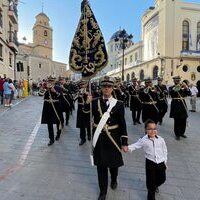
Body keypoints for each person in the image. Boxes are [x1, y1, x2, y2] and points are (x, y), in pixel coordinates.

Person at [85, 76, 128, 200]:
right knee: (101, 165)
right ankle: (103, 191)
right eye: (104, 86)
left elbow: (122, 124)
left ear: (112, 88)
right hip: (100, 139)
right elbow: (86, 116)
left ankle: (114, 179)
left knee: (114, 164)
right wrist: (87, 104)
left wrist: (124, 141)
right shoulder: (94, 101)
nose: (107, 89)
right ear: (101, 88)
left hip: (113, 138)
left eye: (109, 86)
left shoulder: (119, 104)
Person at [128, 119, 167, 200]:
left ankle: (155, 186)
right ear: (146, 130)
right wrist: (127, 148)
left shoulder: (161, 139)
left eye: (154, 129)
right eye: (150, 129)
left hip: (161, 162)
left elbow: (165, 151)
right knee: (150, 182)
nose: (152, 131)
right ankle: (151, 195)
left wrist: (165, 162)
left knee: (162, 179)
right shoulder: (143, 139)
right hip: (150, 163)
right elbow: (135, 145)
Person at [41, 76, 64, 146]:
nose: (50, 82)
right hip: (48, 107)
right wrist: (44, 89)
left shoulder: (58, 88)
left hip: (56, 107)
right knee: (49, 123)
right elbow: (40, 94)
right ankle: (51, 139)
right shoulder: (46, 88)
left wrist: (55, 91)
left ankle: (58, 133)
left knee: (58, 121)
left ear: (54, 81)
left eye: (52, 81)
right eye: (49, 81)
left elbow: (61, 97)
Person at [169, 76, 191, 140]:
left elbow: (189, 93)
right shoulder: (171, 88)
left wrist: (186, 87)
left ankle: (182, 133)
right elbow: (172, 93)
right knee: (177, 120)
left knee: (183, 119)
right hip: (175, 105)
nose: (177, 81)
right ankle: (177, 134)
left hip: (182, 104)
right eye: (176, 80)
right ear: (174, 81)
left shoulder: (183, 87)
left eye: (178, 80)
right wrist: (178, 86)